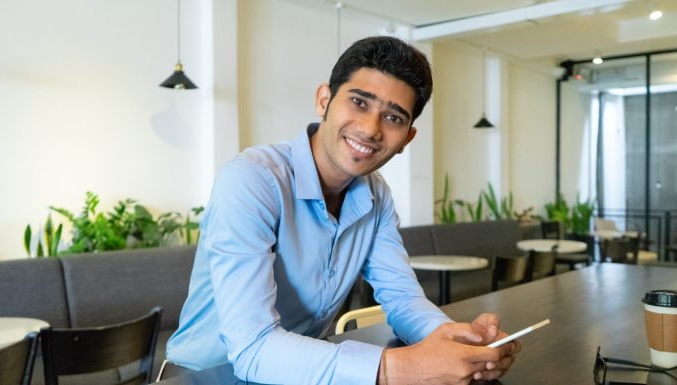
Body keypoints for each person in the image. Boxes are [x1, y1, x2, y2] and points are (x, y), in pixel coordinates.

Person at [165, 36, 521, 384]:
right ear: (324, 100)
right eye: (359, 102)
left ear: (407, 139)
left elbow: (401, 297)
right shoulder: (252, 180)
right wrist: (397, 368)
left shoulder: (376, 195)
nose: (370, 129)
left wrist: (454, 341)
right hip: (203, 376)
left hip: (306, 373)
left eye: (394, 118)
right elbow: (252, 349)